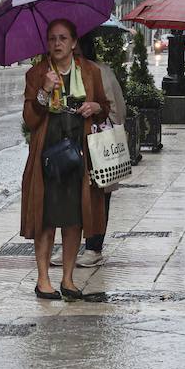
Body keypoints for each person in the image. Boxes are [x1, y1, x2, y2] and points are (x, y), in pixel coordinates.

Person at [21, 18, 109, 301]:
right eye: (52, 39)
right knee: (45, 218)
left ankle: (68, 279)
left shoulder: (90, 72)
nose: (57, 44)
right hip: (47, 156)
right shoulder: (38, 73)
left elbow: (104, 108)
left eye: (62, 38)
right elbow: (30, 119)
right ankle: (43, 280)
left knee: (74, 219)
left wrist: (95, 107)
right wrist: (44, 91)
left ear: (73, 43)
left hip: (79, 155)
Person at [75, 32, 127, 268]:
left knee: (99, 193)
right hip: (74, 144)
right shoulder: (62, 72)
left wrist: (96, 110)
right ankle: (72, 246)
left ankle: (94, 247)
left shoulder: (100, 71)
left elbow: (116, 110)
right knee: (73, 196)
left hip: (98, 144)